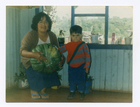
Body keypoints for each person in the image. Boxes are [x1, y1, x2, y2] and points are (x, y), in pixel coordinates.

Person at [20, 12, 64, 99]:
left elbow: (57, 51)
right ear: (36, 24)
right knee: (37, 73)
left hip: (47, 62)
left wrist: (61, 59)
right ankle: (34, 90)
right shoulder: (30, 35)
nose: (43, 24)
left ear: (49, 24)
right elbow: (22, 51)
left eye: (46, 22)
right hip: (31, 61)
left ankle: (43, 90)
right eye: (40, 21)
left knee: (51, 72)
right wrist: (34, 55)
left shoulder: (52, 36)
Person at [59, 25, 91, 100]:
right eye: (73, 35)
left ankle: (81, 93)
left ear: (81, 35)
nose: (75, 37)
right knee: (72, 81)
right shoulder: (68, 45)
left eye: (77, 35)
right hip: (71, 67)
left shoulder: (84, 45)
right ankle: (72, 92)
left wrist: (87, 67)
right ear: (70, 36)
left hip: (81, 67)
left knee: (81, 81)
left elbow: (88, 57)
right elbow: (60, 50)